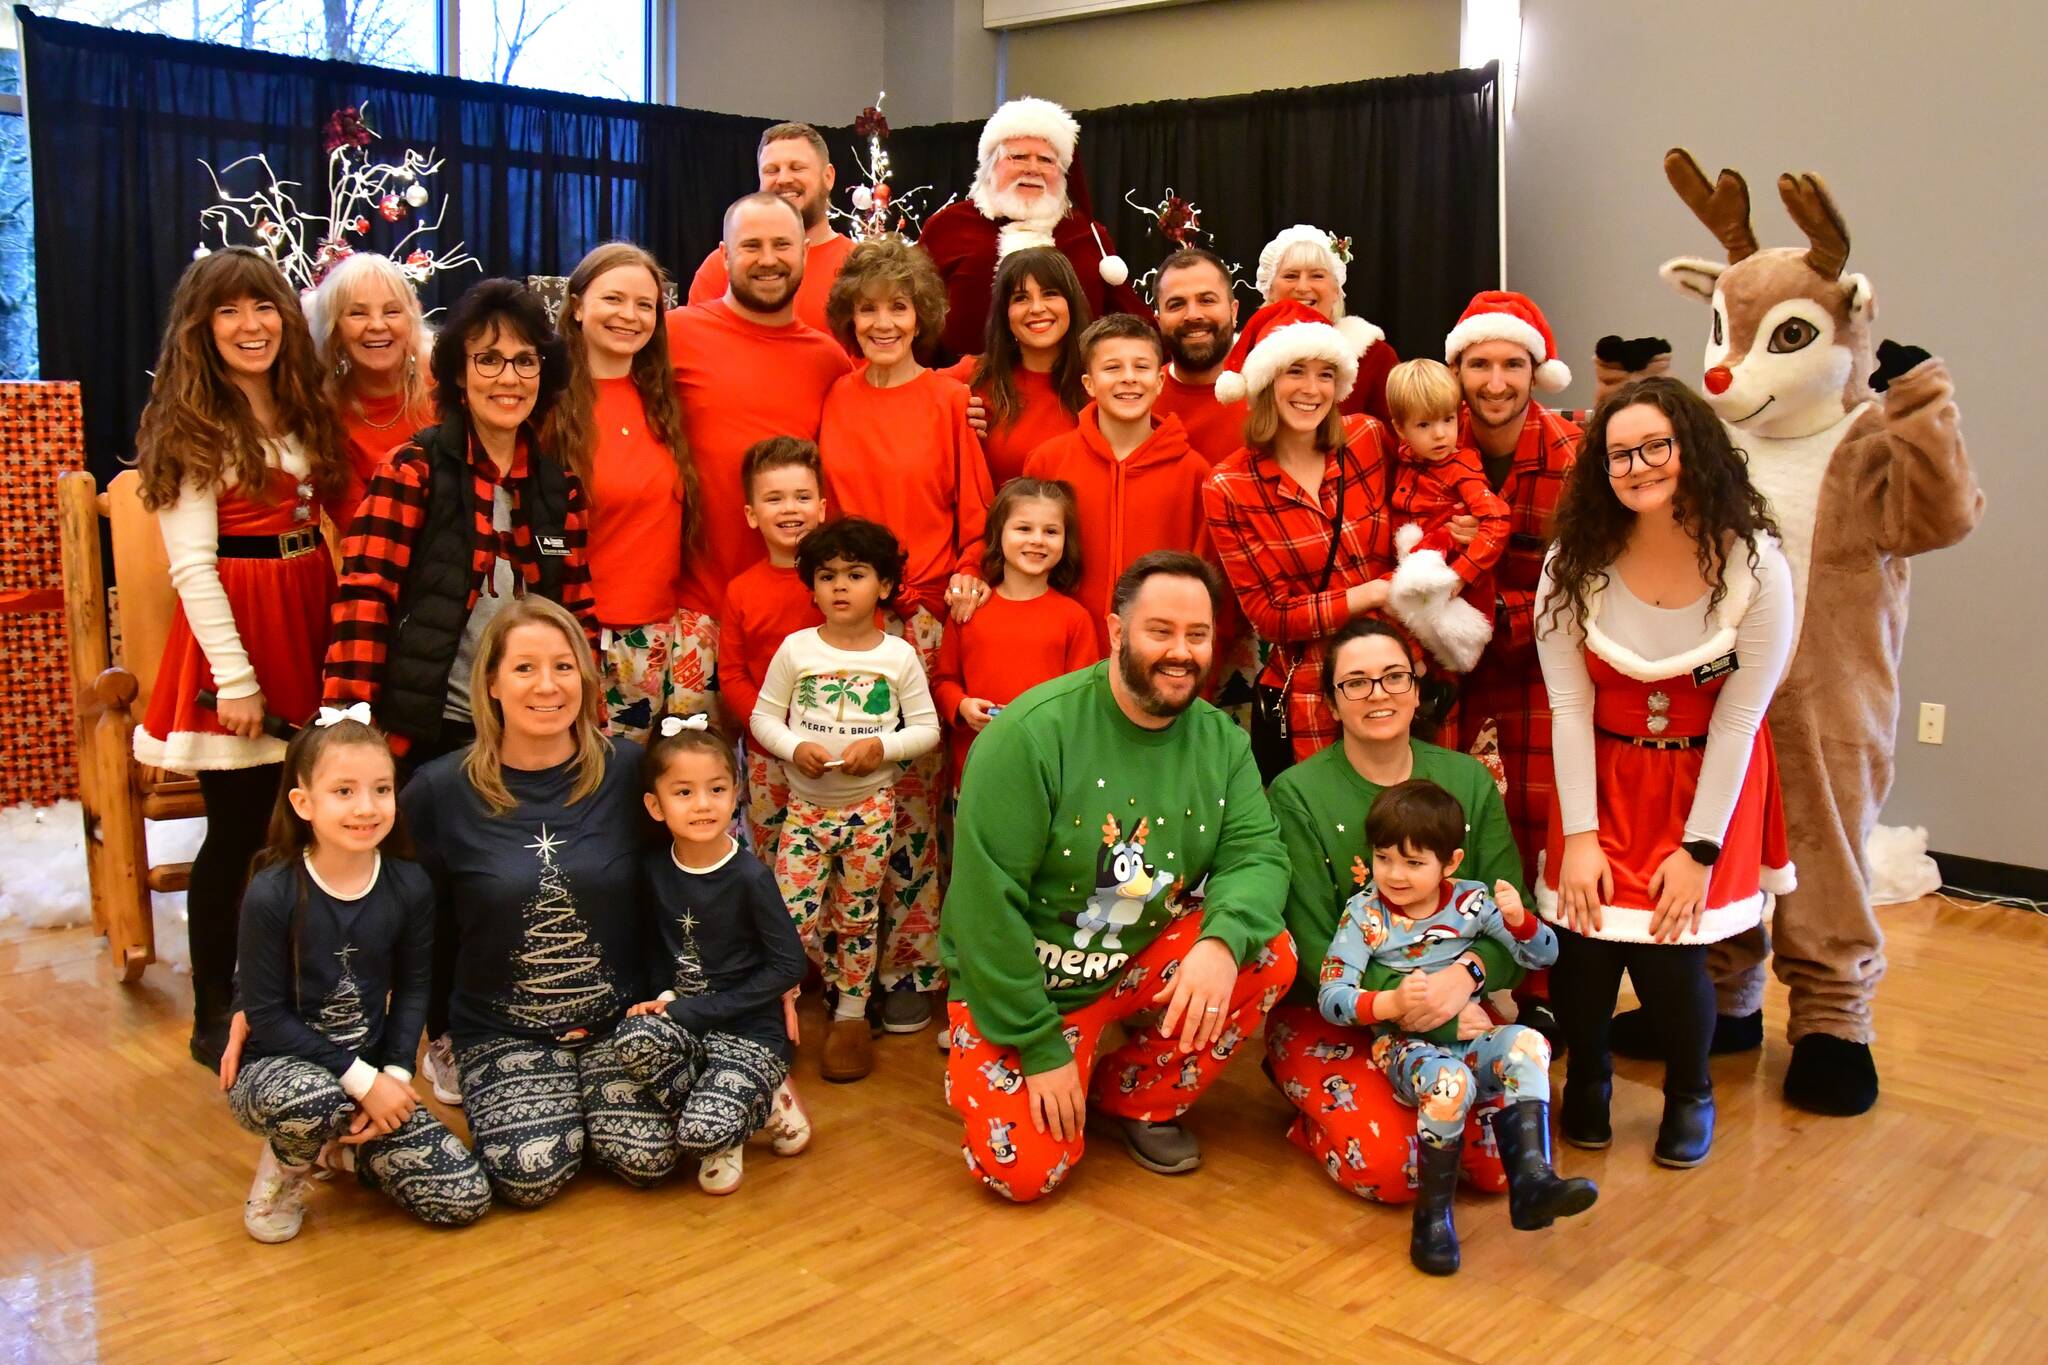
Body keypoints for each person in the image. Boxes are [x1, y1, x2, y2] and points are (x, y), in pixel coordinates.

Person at [939, 551, 1295, 1201]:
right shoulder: (1028, 736)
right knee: (1023, 1173)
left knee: (1265, 951)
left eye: (1198, 634)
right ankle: (1027, 1058)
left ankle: (1134, 1096)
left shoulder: (1222, 742)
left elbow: (1257, 856)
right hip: (1023, 982)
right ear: (1115, 630)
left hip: (1131, 958)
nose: (1181, 651)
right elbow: (982, 911)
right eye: (1160, 630)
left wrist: (1220, 940)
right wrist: (1041, 1049)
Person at [1535, 376, 1794, 1169]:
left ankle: (1691, 1091)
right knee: (1580, 945)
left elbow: (1741, 719)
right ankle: (1589, 1078)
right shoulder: (1572, 562)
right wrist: (1581, 835)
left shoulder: (1757, 566)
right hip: (1603, 774)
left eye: (1656, 446)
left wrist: (1701, 849)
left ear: (1692, 449)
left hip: (1704, 783)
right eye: (1620, 454)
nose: (1639, 465)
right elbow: (1569, 707)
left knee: (1669, 954)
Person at [132, 246, 352, 1070]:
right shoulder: (193, 421)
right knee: (236, 831)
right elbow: (191, 563)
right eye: (229, 311)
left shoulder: (300, 404)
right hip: (240, 629)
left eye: (263, 307)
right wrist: (235, 678)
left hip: (306, 607)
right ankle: (215, 1000)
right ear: (202, 326)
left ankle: (292, 986)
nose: (250, 325)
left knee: (302, 824)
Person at [400, 596, 680, 1205]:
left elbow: (688, 881)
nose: (547, 685)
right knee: (534, 1177)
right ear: (492, 682)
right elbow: (411, 924)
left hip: (622, 1021)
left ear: (584, 675)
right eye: (525, 668)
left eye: (563, 666)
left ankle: (585, 1094)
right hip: (502, 1028)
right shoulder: (438, 790)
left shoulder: (633, 772)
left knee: (650, 1162)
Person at [1266, 618, 1526, 1205]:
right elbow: (1307, 947)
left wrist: (1463, 981)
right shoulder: (1297, 793)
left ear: (1417, 688)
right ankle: (1311, 1115)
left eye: (1392, 678)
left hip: (1456, 1008)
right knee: (1395, 1170)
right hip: (1338, 1015)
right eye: (1355, 683)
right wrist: (1419, 1008)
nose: (1377, 693)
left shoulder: (1466, 781)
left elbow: (1515, 917)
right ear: (1332, 702)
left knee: (1502, 1166)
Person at [219, 712, 491, 1242]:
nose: (366, 807)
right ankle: (286, 1168)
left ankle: (338, 1153)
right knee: (307, 1099)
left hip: (366, 1076)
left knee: (465, 1197)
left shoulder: (409, 885)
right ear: (304, 804)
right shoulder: (273, 892)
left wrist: (392, 1074)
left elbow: (415, 987)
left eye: (381, 789)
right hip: (281, 1073)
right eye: (344, 791)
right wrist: (364, 1082)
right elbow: (268, 1017)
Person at [818, 237, 995, 1031]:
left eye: (899, 307)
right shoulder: (835, 397)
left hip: (920, 621)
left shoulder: (948, 398)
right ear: (848, 318)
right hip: (842, 616)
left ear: (922, 315)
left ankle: (915, 962)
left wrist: (963, 571)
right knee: (846, 791)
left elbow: (976, 513)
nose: (884, 322)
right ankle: (845, 959)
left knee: (913, 803)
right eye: (869, 308)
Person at [1318, 779, 1595, 1275]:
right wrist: (1389, 1001)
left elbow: (1545, 956)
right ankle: (1433, 1216)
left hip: (1471, 1036)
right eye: (1384, 859)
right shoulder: (1365, 914)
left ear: (1451, 862)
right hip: (1403, 1047)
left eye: (1414, 863)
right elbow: (1332, 997)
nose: (1395, 875)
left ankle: (1532, 1179)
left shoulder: (1472, 902)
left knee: (1530, 1043)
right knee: (1452, 1084)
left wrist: (1519, 922)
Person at [323, 277, 594, 772]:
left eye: (525, 360)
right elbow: (365, 596)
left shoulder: (561, 489)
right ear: (459, 377)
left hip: (530, 730)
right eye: (488, 359)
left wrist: (587, 722)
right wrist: (351, 721)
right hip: (430, 731)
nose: (508, 378)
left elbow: (577, 618)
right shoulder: (412, 470)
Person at [749, 519, 941, 1082]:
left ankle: (852, 1018)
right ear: (811, 587)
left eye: (855, 575)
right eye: (827, 576)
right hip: (805, 812)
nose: (840, 586)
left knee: (856, 920)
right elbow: (763, 716)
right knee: (789, 921)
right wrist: (793, 746)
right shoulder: (796, 649)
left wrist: (882, 746)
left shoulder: (899, 656)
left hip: (871, 812)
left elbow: (925, 729)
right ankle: (767, 1022)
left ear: (882, 586)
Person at [1444, 289, 1583, 1041]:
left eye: (1511, 364)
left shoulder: (1572, 456)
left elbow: (1584, 579)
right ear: (1458, 369)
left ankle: (1539, 984)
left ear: (1536, 371)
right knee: (1456, 820)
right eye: (1478, 364)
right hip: (1450, 667)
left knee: (1537, 825)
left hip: (1538, 667)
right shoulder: (1434, 448)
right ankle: (1454, 974)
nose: (1494, 381)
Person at [612, 715, 811, 1195]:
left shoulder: (750, 879)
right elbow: (649, 946)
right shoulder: (653, 870)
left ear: (736, 794)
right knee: (633, 1038)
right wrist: (654, 1000)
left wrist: (695, 1009)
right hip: (686, 1023)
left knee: (700, 1133)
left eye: (716, 789)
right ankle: (739, 1104)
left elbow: (788, 965)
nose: (702, 805)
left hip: (750, 1032)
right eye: (683, 793)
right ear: (655, 806)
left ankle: (753, 1110)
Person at [1203, 300, 1394, 773]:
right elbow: (1270, 616)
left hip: (1400, 675)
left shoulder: (1368, 439)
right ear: (1266, 380)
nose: (1312, 390)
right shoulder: (1229, 486)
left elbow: (1425, 501)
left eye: (1325, 374)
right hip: (1314, 693)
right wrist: (1367, 594)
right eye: (1295, 371)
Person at [667, 191, 852, 677]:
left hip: (800, 617)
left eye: (781, 245)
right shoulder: (673, 336)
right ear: (724, 256)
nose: (768, 260)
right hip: (696, 613)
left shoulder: (828, 359)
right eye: (750, 246)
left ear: (805, 254)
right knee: (691, 753)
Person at [543, 243, 698, 737]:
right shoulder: (546, 405)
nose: (629, 316)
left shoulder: (661, 400)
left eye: (645, 305)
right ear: (577, 304)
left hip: (658, 637)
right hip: (583, 637)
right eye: (613, 299)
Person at [1023, 313, 1216, 657]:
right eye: (1112, 368)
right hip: (1062, 660)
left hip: (1158, 661)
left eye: (1141, 367)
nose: (1128, 379)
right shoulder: (1047, 462)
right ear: (1089, 384)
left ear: (1159, 382)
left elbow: (1207, 585)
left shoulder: (1194, 473)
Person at [917, 96, 1148, 363]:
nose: (1033, 169)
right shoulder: (948, 228)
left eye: (1047, 160)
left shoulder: (1088, 234)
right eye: (1018, 157)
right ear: (990, 165)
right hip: (965, 394)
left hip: (1072, 394)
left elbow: (1129, 319)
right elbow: (915, 315)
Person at [931, 477, 1099, 789]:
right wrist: (962, 706)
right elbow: (944, 681)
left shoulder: (1074, 619)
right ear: (998, 534)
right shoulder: (968, 611)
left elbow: (1084, 700)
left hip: (1046, 773)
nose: (1037, 540)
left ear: (1066, 540)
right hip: (976, 769)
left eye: (1051, 531)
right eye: (1023, 529)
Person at [717, 436, 828, 865]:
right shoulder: (742, 590)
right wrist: (778, 736)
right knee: (774, 862)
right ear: (751, 514)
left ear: (821, 507)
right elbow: (732, 675)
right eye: (774, 499)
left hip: (836, 759)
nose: (790, 509)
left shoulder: (844, 583)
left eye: (802, 497)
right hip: (770, 759)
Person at [1382, 357, 1509, 678]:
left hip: (1451, 579)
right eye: (1424, 425)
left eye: (1447, 420)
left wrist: (1462, 574)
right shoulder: (1404, 460)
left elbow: (1497, 521)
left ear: (1460, 416)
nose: (1440, 435)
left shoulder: (1462, 468)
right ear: (1400, 428)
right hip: (1413, 570)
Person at [686, 122, 852, 337]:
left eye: (797, 167)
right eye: (771, 170)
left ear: (828, 177)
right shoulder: (723, 265)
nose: (783, 179)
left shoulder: (857, 266)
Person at [951, 247, 1091, 487]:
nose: (1036, 308)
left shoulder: (1100, 378)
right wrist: (952, 412)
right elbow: (905, 394)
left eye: (1050, 293)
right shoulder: (974, 375)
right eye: (1021, 298)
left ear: (1071, 303)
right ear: (1005, 314)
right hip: (998, 522)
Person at [304, 251, 438, 502]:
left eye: (391, 311)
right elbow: (353, 524)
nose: (377, 325)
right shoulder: (326, 414)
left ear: (411, 320)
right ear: (334, 330)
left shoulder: (449, 387)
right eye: (358, 313)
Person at [1254, 224, 1399, 425]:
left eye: (1317, 275)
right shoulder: (1243, 358)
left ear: (1336, 290)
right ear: (1269, 289)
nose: (1303, 287)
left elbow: (1400, 438)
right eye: (1291, 276)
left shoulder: (1375, 357)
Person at [1150, 246, 1246, 466]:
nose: (1193, 315)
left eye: (1207, 300)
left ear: (1234, 312)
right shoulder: (1137, 399)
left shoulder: (1269, 395)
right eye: (1176, 304)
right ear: (1158, 321)